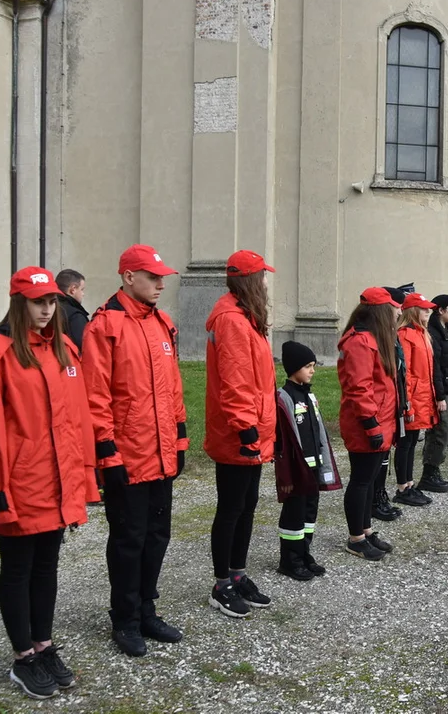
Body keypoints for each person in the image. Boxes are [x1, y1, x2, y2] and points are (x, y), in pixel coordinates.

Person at [0, 267, 98, 700]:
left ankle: (43, 644)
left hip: (57, 482)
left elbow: (77, 422)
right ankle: (23, 656)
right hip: (21, 484)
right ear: (19, 301)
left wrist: (84, 479)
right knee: (19, 568)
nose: (46, 309)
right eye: (38, 301)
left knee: (47, 567)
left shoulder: (64, 350)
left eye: (52, 301)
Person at [82, 244, 189, 656]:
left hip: (160, 453)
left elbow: (174, 390)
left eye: (161, 277)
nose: (161, 284)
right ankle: (124, 618)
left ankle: (146, 609)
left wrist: (179, 440)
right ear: (128, 277)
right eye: (152, 276)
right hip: (127, 457)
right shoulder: (105, 326)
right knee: (129, 540)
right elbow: (96, 397)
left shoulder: (162, 323)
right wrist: (107, 455)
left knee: (157, 535)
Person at [205, 250, 277, 618]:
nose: (266, 283)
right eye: (263, 276)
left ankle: (238, 573)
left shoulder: (248, 319)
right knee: (232, 507)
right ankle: (221, 584)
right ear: (250, 280)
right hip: (239, 433)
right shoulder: (232, 321)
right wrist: (247, 430)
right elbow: (235, 382)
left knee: (247, 505)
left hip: (253, 429)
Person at [337, 287, 399, 561]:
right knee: (361, 481)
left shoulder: (370, 338)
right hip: (366, 423)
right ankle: (356, 538)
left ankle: (366, 530)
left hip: (379, 420)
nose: (397, 313)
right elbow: (358, 389)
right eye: (393, 309)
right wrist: (372, 426)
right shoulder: (359, 342)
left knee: (371, 479)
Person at [273, 342, 342, 581]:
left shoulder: (309, 395)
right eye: (308, 366)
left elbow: (319, 430)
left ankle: (304, 554)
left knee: (310, 510)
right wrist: (288, 472)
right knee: (294, 511)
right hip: (296, 469)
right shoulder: (284, 397)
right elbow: (285, 437)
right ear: (293, 368)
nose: (312, 370)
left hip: (313, 467)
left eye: (313, 365)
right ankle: (289, 560)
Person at [392, 293, 438, 507]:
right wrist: (407, 402)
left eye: (429, 309)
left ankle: (409, 483)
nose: (428, 312)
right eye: (424, 309)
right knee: (405, 442)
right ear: (412, 311)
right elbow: (406, 373)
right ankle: (403, 487)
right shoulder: (405, 334)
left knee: (412, 442)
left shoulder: (422, 334)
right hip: (413, 398)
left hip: (423, 396)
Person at [371, 286, 408, 522]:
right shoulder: (377, 336)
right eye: (397, 306)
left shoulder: (391, 334)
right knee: (376, 458)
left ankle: (380, 495)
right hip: (380, 406)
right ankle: (375, 499)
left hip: (393, 400)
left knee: (385, 454)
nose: (400, 311)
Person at [419, 294, 448, 493]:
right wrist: (440, 396)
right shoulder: (434, 333)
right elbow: (435, 368)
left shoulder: (447, 330)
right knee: (440, 432)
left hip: (447, 389)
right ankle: (429, 473)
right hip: (440, 391)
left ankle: (434, 470)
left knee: (445, 431)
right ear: (441, 311)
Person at [55, 269, 89, 352]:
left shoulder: (50, 309)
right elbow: (85, 348)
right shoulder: (75, 316)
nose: (83, 294)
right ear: (73, 289)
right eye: (82, 289)